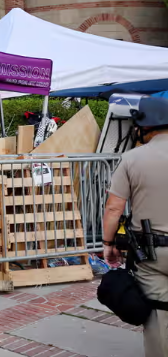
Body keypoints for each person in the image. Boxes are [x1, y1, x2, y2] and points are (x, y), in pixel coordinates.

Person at [102, 95, 168, 357]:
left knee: (159, 315)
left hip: (151, 253)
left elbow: (113, 208)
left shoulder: (132, 158)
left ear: (144, 125)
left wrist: (108, 244)